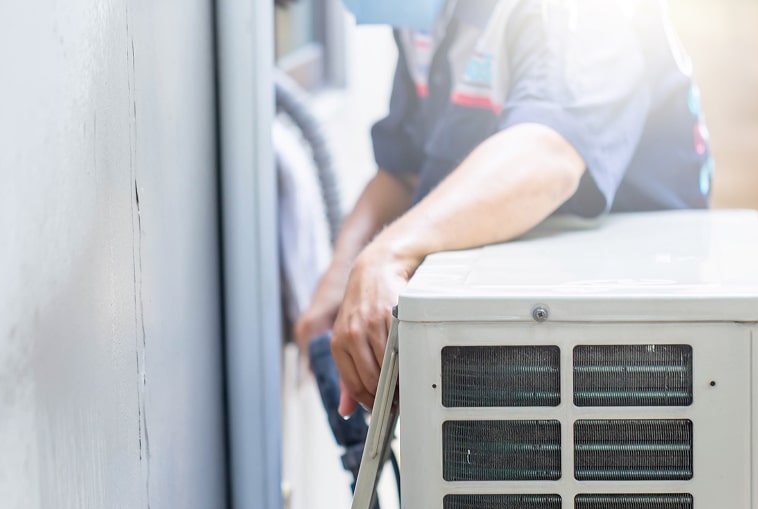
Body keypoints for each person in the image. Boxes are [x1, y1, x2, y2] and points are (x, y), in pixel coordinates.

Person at [295, 0, 712, 420]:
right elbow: (403, 172)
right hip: (508, 340)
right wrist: (342, 276)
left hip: (626, 347)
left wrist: (387, 255)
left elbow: (548, 154)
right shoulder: (424, 19)